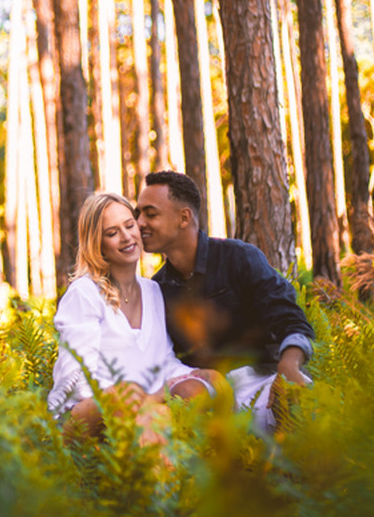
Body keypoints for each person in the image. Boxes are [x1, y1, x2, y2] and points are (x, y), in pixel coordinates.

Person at [135, 170, 314, 432]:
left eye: (150, 214)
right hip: (206, 396)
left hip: (263, 381)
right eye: (138, 214)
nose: (139, 223)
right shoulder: (157, 288)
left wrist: (289, 365)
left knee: (305, 405)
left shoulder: (240, 258)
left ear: (184, 217)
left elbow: (292, 320)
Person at [48, 192, 224, 445]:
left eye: (129, 225)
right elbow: (76, 379)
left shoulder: (153, 291)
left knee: (202, 384)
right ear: (97, 245)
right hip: (85, 414)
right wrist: (145, 399)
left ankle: (169, 460)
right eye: (112, 233)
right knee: (127, 397)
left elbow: (163, 361)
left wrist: (194, 375)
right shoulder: (84, 293)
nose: (126, 236)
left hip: (143, 408)